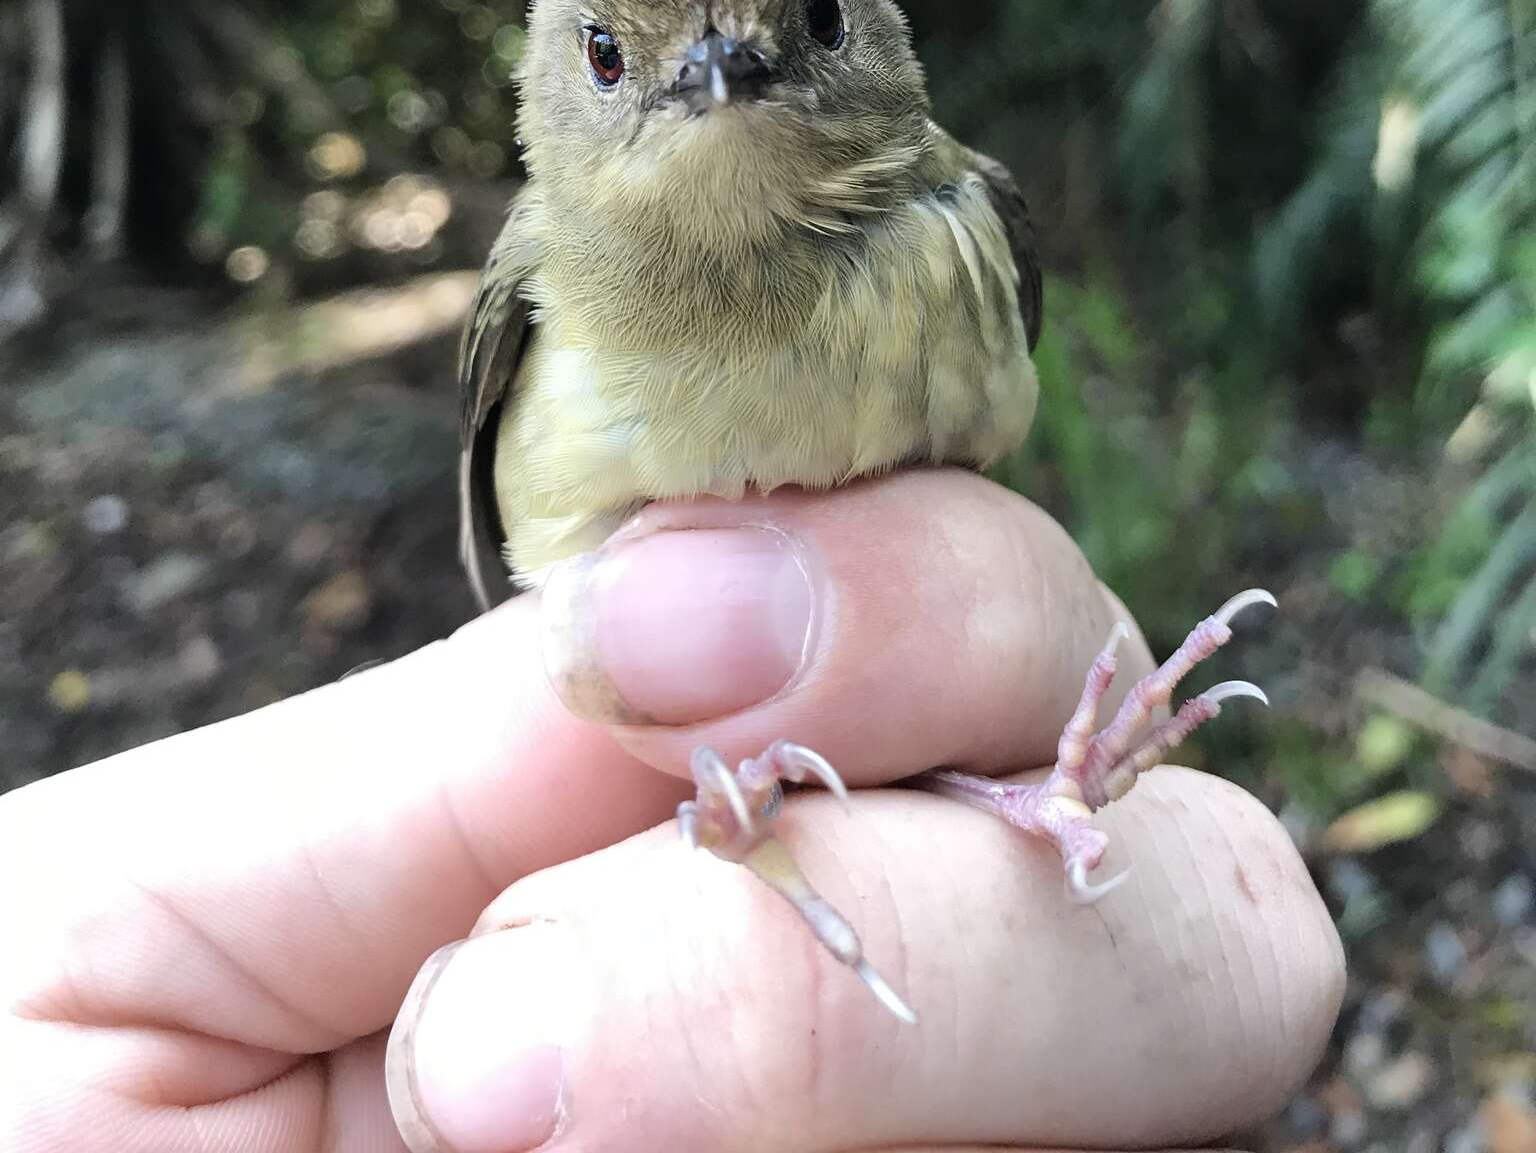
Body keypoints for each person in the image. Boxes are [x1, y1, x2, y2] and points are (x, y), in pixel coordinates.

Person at [1, 470, 1342, 1152]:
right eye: (611, 56)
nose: (713, 77)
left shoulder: (943, 214)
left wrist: (1028, 779)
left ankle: (1012, 791)